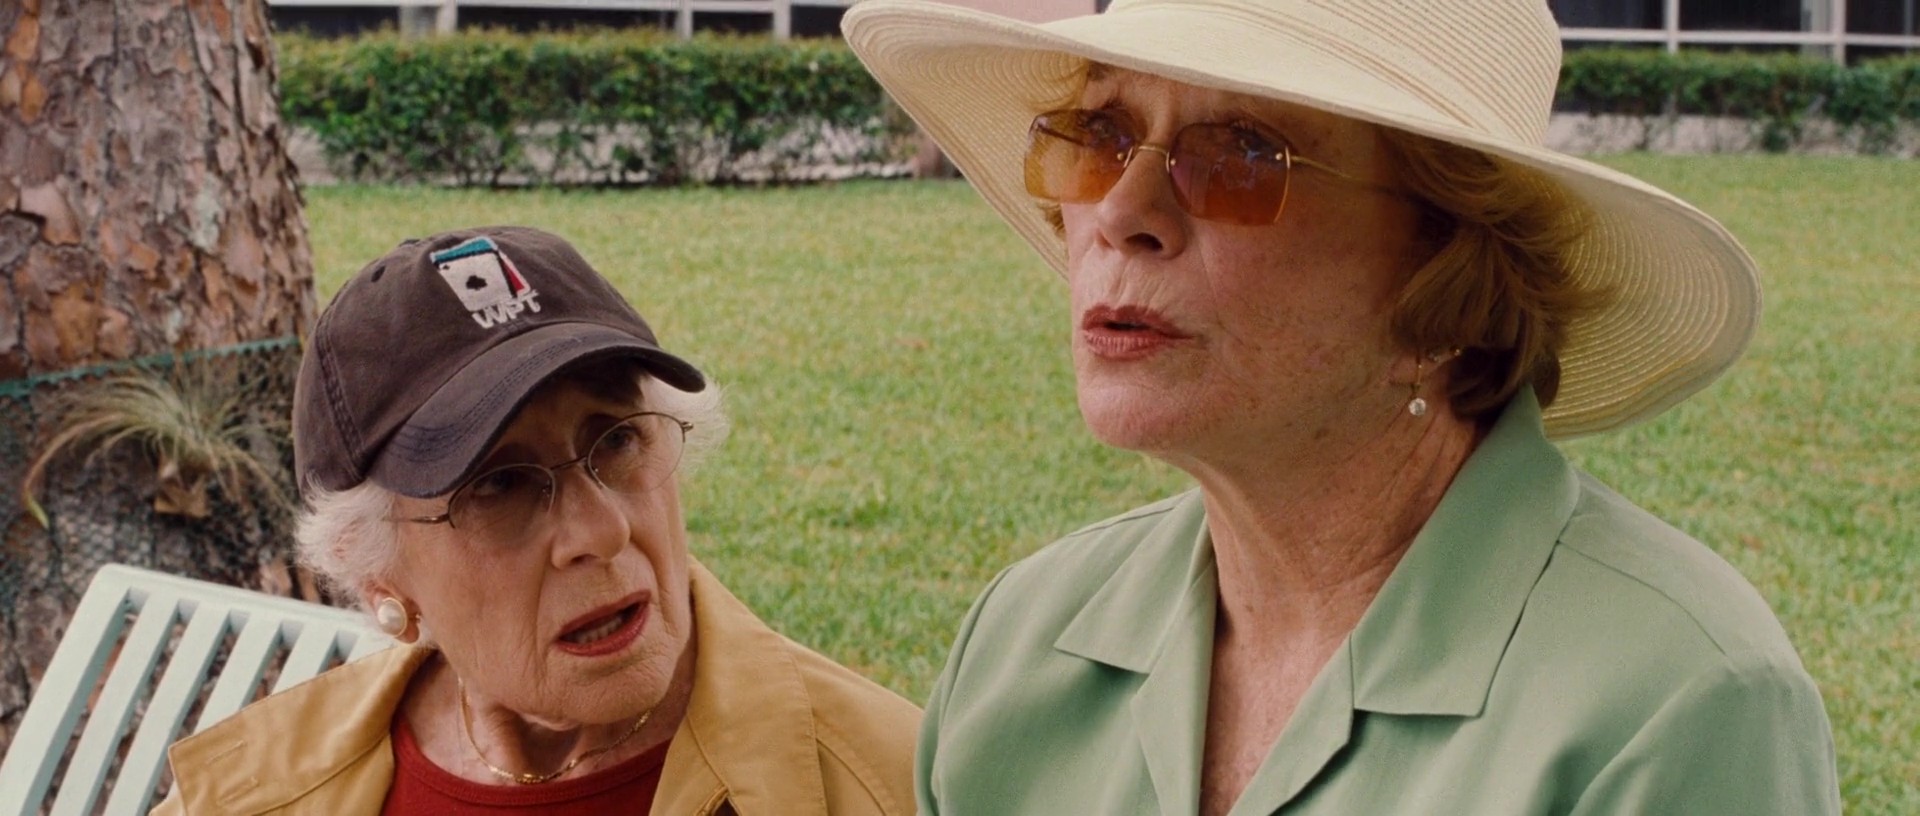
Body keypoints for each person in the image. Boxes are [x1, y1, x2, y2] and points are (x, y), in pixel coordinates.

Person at [843, 1, 1841, 814]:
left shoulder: (1676, 704)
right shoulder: (1025, 642)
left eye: (1241, 155)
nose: (1122, 213)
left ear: (1449, 279)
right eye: (1099, 138)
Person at [153, 227, 918, 814]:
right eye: (501, 485)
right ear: (372, 565)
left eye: (616, 440)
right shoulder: (254, 795)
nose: (601, 533)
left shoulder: (892, 783)